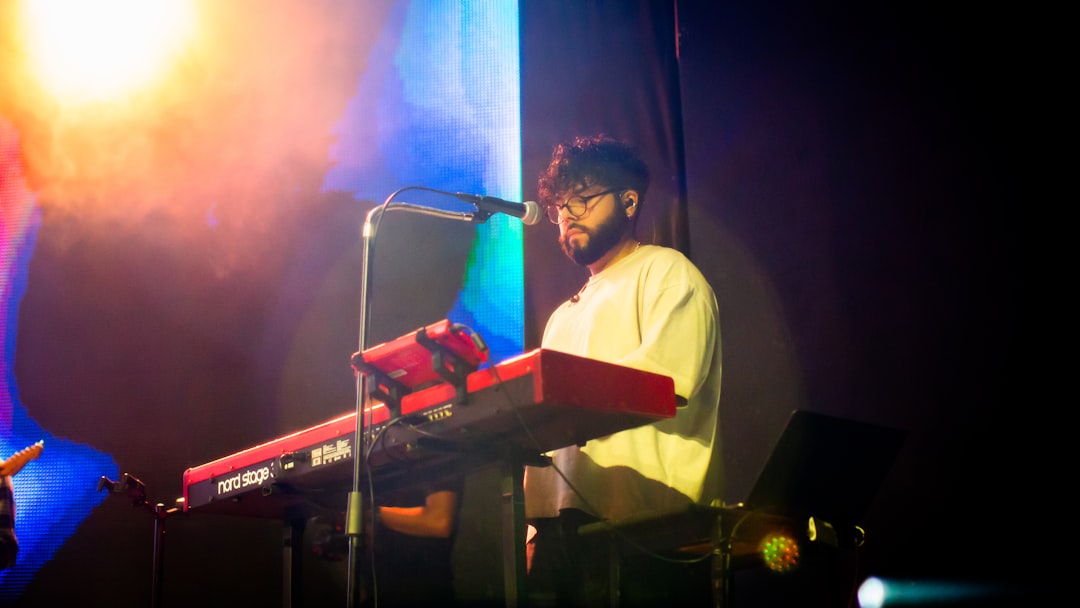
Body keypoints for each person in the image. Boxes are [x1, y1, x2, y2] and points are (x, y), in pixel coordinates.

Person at [523, 134, 723, 607]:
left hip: (648, 528)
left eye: (581, 200)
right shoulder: (562, 315)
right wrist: (533, 528)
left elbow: (662, 385)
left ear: (628, 201)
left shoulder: (667, 273)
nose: (567, 215)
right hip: (562, 531)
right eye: (559, 207)